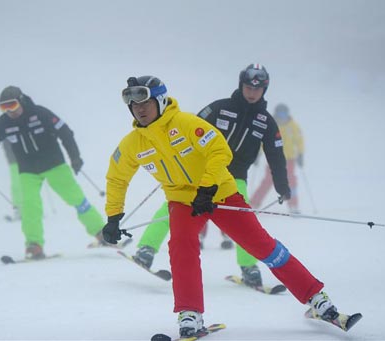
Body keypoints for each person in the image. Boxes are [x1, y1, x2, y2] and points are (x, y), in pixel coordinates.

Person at [102, 75, 347, 337]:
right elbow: (117, 177)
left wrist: (208, 187)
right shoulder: (132, 143)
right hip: (183, 201)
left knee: (262, 246)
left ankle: (317, 299)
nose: (139, 109)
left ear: (160, 101)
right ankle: (190, 315)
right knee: (181, 247)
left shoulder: (186, 123)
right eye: (134, 105)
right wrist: (114, 216)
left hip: (220, 193)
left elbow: (220, 151)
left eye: (146, 103)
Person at [131, 64, 291, 290]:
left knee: (246, 221)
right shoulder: (220, 108)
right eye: (248, 87)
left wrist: (282, 185)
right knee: (175, 208)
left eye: (258, 89)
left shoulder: (266, 121)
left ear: (264, 90)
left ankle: (249, 268)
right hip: (201, 172)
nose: (252, 92)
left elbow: (276, 154)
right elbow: (185, 129)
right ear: (241, 85)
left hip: (235, 178)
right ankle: (146, 248)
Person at [0, 86, 107, 259]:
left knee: (76, 199)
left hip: (54, 165)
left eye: (11, 106)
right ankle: (34, 245)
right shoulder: (3, 123)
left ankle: (101, 233)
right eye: (4, 108)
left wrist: (75, 157)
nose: (9, 111)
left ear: (20, 101)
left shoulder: (40, 113)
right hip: (28, 170)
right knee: (30, 206)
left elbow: (65, 132)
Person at [251, 103, 304, 213]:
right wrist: (258, 154)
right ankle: (254, 203)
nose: (282, 117)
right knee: (268, 181)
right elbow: (262, 141)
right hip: (274, 159)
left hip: (289, 159)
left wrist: (300, 154)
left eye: (284, 114)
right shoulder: (272, 124)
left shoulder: (292, 126)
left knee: (291, 181)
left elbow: (299, 140)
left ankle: (293, 205)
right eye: (280, 114)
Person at [2, 140, 23, 220]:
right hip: (13, 161)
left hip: (23, 159)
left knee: (23, 184)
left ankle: (28, 209)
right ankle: (18, 210)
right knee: (17, 185)